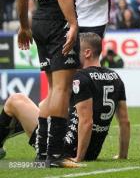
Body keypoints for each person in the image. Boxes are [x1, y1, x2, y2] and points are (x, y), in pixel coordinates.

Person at [16, 0, 80, 167]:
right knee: (61, 91)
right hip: (56, 19)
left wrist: (23, 26)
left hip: (38, 19)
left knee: (53, 88)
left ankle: (44, 152)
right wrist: (73, 22)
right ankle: (55, 154)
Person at [0, 32, 130, 162]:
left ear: (87, 53)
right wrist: (122, 155)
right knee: (44, 108)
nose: (71, 54)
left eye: (75, 50)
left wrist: (78, 158)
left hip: (63, 149)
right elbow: (125, 122)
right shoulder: (115, 77)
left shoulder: (80, 78)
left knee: (15, 100)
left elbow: (87, 122)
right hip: (91, 152)